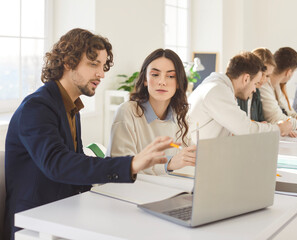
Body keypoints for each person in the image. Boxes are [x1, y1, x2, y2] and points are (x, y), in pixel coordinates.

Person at [3, 28, 173, 240]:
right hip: (35, 223)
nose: (101, 74)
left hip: (64, 212)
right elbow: (59, 164)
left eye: (103, 66)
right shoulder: (37, 107)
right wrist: (129, 164)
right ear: (68, 62)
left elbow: (77, 163)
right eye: (93, 65)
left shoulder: (70, 106)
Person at [106, 49, 196, 175]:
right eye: (155, 75)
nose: (162, 82)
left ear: (178, 83)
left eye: (170, 76)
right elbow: (122, 170)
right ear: (145, 80)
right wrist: (168, 164)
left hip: (165, 189)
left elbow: (187, 151)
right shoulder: (127, 112)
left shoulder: (178, 116)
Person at [188, 51, 293, 140]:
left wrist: (261, 127)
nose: (254, 90)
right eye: (255, 83)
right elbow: (245, 129)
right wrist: (279, 129)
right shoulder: (217, 90)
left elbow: (240, 125)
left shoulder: (221, 87)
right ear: (246, 79)